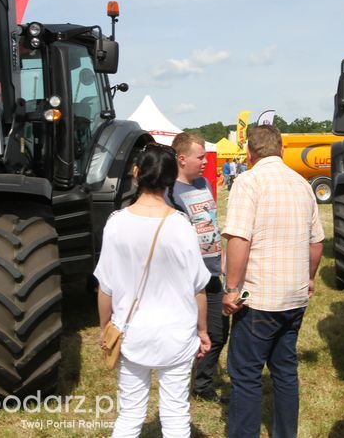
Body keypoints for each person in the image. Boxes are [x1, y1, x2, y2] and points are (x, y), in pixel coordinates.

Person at [94, 144, 212, 437]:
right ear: (171, 179)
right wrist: (203, 330)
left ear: (136, 174)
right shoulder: (182, 225)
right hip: (176, 333)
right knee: (175, 416)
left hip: (132, 331)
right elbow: (198, 287)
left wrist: (104, 328)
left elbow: (105, 287)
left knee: (130, 415)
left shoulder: (116, 224)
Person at [221, 125, 325, 438]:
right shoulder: (301, 183)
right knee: (284, 370)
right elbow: (317, 241)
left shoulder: (247, 181)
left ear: (249, 154)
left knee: (246, 374)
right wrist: (308, 277)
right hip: (293, 297)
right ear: (281, 150)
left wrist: (232, 289)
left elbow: (239, 238)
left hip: (258, 298)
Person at [167, 132, 228, 403]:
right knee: (186, 333)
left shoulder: (203, 183)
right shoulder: (169, 192)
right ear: (182, 159)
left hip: (213, 272)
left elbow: (211, 223)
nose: (205, 162)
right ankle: (180, 385)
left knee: (218, 331)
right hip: (186, 279)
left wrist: (222, 256)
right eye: (200, 157)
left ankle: (202, 386)